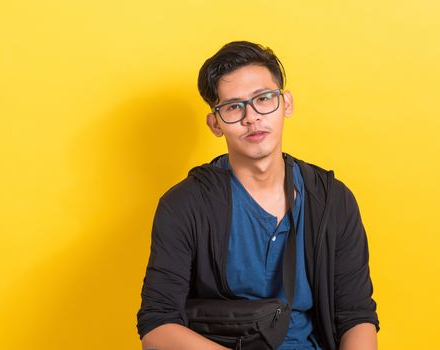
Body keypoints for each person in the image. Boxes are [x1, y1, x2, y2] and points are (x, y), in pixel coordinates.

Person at [137, 41, 379, 350]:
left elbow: (356, 315)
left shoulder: (332, 200)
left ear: (286, 104)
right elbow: (157, 325)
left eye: (263, 99)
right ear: (215, 124)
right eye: (234, 106)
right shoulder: (184, 205)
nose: (251, 117)